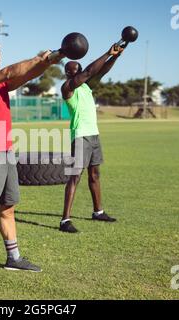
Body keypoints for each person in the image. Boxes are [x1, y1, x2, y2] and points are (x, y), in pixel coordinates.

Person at [0, 39, 63, 291]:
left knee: (8, 208)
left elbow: (27, 75)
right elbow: (8, 72)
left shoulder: (1, 86)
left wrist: (52, 59)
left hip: (6, 153)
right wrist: (38, 57)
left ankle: (13, 257)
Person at [59, 44, 124, 233]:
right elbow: (88, 72)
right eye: (72, 70)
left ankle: (98, 211)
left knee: (95, 175)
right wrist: (107, 52)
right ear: (67, 74)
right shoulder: (67, 88)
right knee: (75, 177)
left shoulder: (87, 87)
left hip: (94, 135)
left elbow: (100, 71)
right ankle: (65, 221)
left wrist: (116, 56)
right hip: (80, 136)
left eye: (77, 69)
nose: (75, 72)